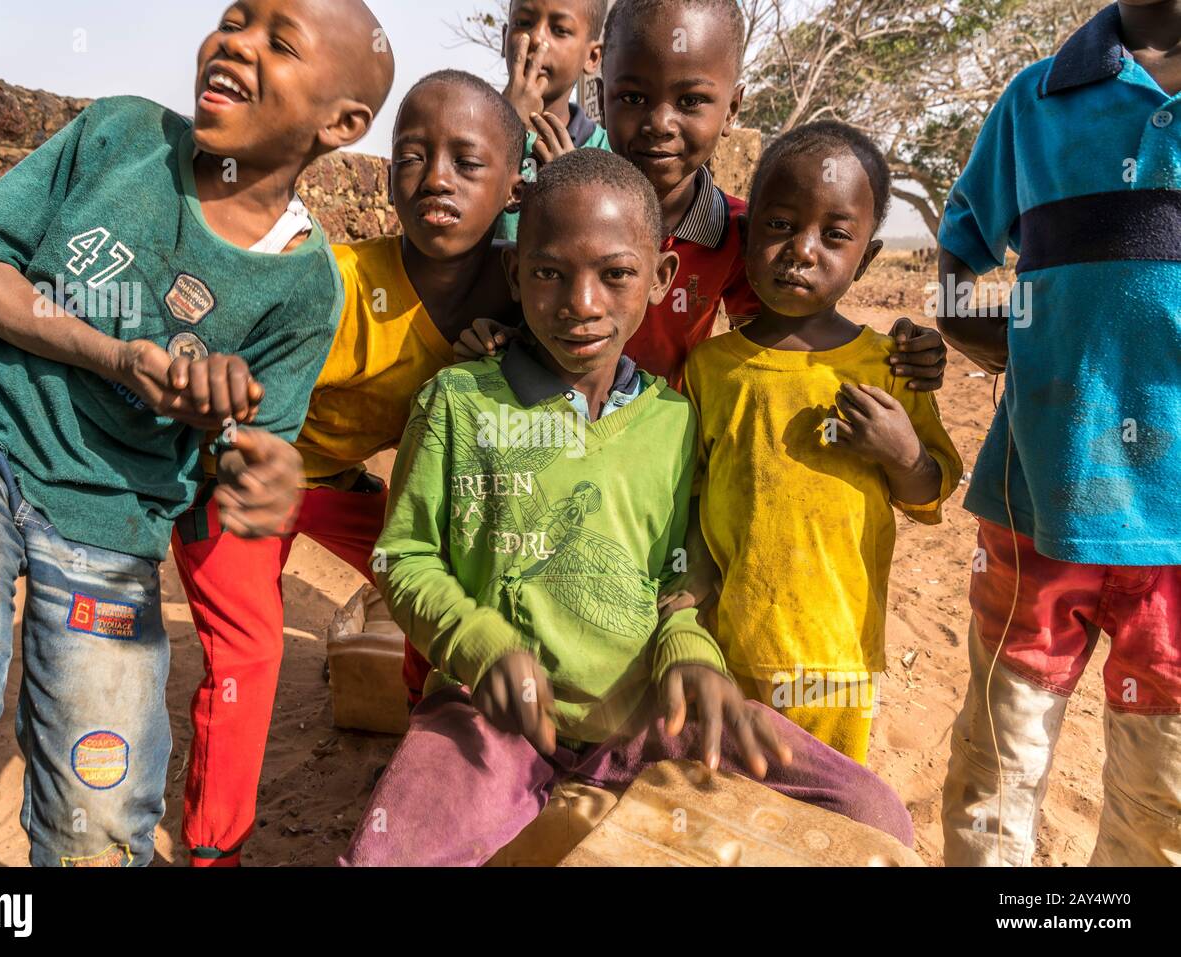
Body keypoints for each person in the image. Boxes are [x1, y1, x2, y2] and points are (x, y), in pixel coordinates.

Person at [0, 0, 393, 867]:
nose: (235, 40)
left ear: (340, 124)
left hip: (112, 518)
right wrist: (116, 356)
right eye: (235, 17)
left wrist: (254, 466)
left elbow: (254, 458)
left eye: (279, 40)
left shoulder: (308, 291)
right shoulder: (121, 135)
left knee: (102, 806)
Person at [340, 149, 914, 866]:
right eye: (550, 273)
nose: (583, 303)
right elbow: (404, 557)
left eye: (616, 275)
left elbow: (684, 572)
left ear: (660, 279)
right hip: (490, 715)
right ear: (515, 275)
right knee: (387, 857)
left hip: (646, 715)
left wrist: (691, 655)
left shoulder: (672, 420)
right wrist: (482, 644)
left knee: (871, 814)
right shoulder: (459, 403)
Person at [170, 70, 526, 866]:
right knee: (248, 658)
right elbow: (229, 389)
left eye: (467, 163)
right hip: (241, 479)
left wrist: (510, 354)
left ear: (513, 185)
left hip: (332, 487)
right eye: (411, 155)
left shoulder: (523, 290)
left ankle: (419, 721)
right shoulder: (334, 282)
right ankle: (213, 851)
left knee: (446, 588)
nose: (435, 177)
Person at [936, 0, 1181, 866]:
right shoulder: (1036, 99)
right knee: (994, 776)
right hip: (1035, 502)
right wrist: (1037, 353)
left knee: (1163, 807)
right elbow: (958, 266)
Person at [464, 0, 949, 396]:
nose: (659, 123)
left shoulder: (744, 234)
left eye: (691, 101)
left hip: (667, 455)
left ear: (732, 108)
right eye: (632, 98)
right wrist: (564, 204)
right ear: (600, 100)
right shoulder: (547, 195)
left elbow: (787, 335)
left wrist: (896, 351)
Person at [683, 121, 963, 765]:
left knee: (827, 813)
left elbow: (929, 494)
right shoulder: (712, 368)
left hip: (836, 657)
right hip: (729, 645)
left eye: (835, 236)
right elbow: (691, 500)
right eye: (780, 225)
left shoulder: (889, 365)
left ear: (865, 258)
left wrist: (902, 454)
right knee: (730, 807)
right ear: (748, 235)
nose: (803, 250)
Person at [496, 0, 611, 241]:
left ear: (592, 57)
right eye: (524, 23)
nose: (536, 38)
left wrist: (570, 193)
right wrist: (506, 126)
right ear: (505, 38)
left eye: (560, 30)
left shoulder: (609, 153)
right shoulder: (472, 132)